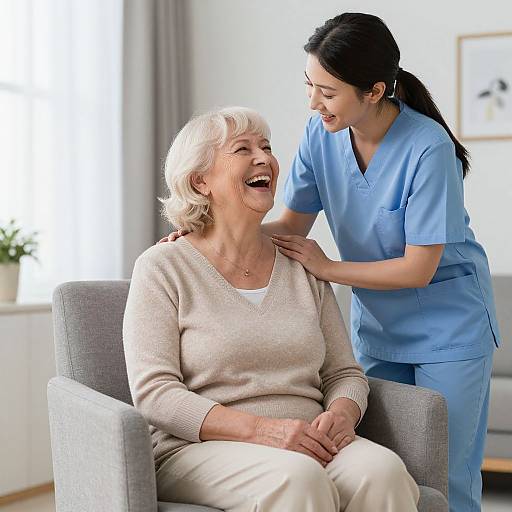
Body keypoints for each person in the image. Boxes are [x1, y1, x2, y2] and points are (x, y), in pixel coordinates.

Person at [164, 13, 500, 512]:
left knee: (447, 474)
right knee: (388, 465)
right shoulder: (322, 134)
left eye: (327, 91)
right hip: (379, 326)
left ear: (374, 91)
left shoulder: (428, 148)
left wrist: (328, 268)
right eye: (309, 84)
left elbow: (418, 269)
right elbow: (289, 227)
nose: (313, 101)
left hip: (447, 328)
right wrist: (204, 235)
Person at [124, 106, 420, 512]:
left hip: (308, 438)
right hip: (199, 447)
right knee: (297, 479)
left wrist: (342, 413)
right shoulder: (163, 267)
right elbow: (155, 394)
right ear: (200, 181)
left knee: (382, 471)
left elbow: (344, 372)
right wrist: (265, 432)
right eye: (242, 149)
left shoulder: (302, 263)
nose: (263, 157)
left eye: (266, 146)